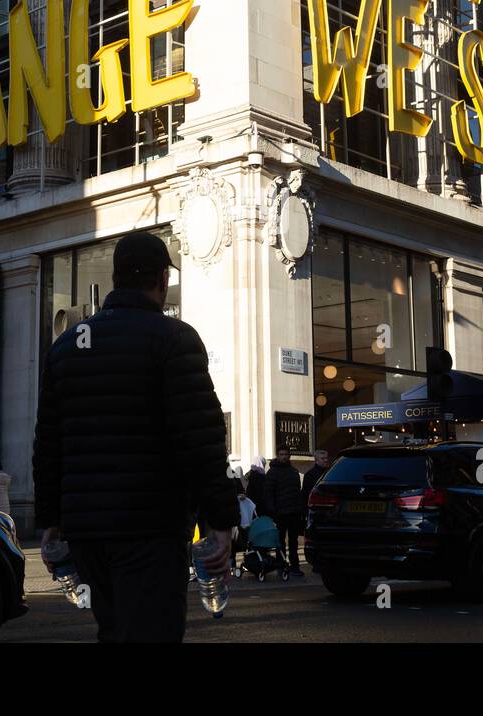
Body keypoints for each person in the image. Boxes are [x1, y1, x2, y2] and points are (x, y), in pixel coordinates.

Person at [33, 231, 238, 642]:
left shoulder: (67, 347)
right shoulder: (174, 339)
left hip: (88, 533)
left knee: (113, 630)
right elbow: (200, 437)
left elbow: (49, 442)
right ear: (163, 279)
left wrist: (51, 518)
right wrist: (221, 520)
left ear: (116, 278)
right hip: (151, 527)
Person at [264, 447, 305, 577]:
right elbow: (268, 493)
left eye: (286, 454)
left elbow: (297, 492)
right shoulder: (272, 472)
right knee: (280, 541)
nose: (284, 457)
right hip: (280, 513)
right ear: (277, 455)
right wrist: (272, 512)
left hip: (293, 512)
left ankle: (295, 566)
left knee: (293, 542)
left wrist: (300, 510)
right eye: (281, 454)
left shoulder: (293, 471)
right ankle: (281, 564)